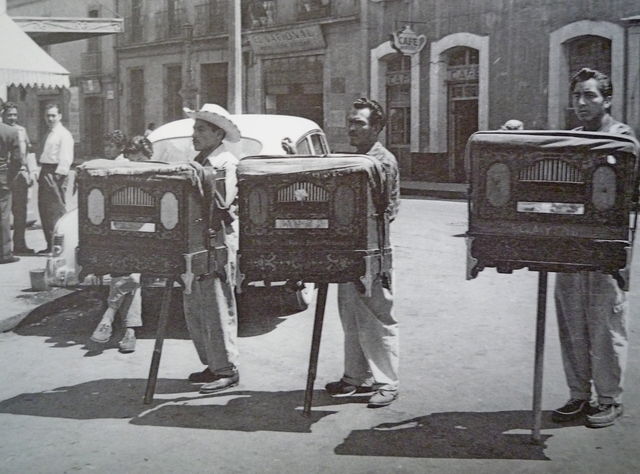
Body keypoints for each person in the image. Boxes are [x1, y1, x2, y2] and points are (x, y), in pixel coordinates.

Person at [552, 67, 635, 429]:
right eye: (577, 96)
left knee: (605, 323)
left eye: (590, 96)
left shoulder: (621, 138)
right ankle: (578, 394)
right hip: (570, 246)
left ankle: (609, 398)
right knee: (572, 321)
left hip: (605, 249)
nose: (582, 103)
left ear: (608, 100)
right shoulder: (571, 138)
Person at [325, 97, 400, 408]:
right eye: (350, 122)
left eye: (359, 123)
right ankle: (355, 377)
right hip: (350, 249)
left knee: (377, 315)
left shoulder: (381, 162)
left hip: (373, 252)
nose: (351, 128)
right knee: (351, 316)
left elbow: (387, 210)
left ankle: (388, 381)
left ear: (377, 128)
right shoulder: (359, 158)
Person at [182, 103, 240, 394]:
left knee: (217, 305)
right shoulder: (202, 159)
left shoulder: (224, 163)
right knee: (197, 307)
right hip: (197, 243)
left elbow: (222, 204)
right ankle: (212, 364)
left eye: (201, 129)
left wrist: (198, 177)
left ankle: (226, 369)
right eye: (195, 128)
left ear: (218, 134)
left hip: (216, 242)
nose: (195, 134)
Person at [89, 136, 152, 353]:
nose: (137, 167)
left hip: (150, 240)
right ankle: (129, 332)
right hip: (125, 238)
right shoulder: (121, 174)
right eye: (133, 161)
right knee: (130, 275)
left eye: (141, 161)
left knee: (132, 274)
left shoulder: (157, 177)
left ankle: (110, 314)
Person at [37, 103, 74, 255]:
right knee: (45, 210)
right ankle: (49, 244)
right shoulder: (49, 133)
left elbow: (66, 158)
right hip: (45, 170)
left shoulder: (63, 134)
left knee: (55, 210)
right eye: (48, 115)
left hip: (55, 172)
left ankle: (57, 246)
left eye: (53, 115)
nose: (50, 118)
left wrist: (58, 177)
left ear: (60, 116)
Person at [2, 102, 34, 254]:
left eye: (15, 114)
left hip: (20, 174)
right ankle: (5, 247)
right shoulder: (5, 130)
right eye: (9, 115)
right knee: (5, 212)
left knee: (20, 211)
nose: (13, 118)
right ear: (3, 115)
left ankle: (20, 244)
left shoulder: (22, 130)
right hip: (8, 174)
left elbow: (28, 153)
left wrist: (31, 171)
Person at [0, 117, 22, 264]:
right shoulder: (10, 131)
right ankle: (4, 253)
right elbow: (17, 159)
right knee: (3, 215)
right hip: (2, 178)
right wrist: (10, 177)